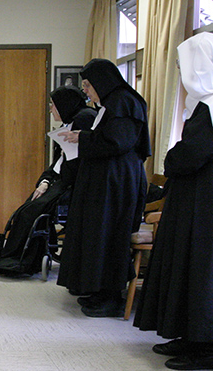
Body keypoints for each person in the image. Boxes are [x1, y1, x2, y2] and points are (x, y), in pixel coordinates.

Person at [135, 32, 213, 370]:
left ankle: (205, 347)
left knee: (206, 264)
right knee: (189, 259)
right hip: (201, 191)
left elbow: (192, 154)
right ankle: (188, 334)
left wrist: (172, 159)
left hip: (210, 193)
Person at [56, 59, 150, 317]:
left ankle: (111, 296)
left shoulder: (123, 101)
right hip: (108, 181)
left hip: (117, 183)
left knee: (110, 236)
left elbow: (117, 142)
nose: (85, 90)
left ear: (102, 82)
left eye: (87, 85)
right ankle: (98, 291)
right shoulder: (112, 103)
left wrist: (82, 138)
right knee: (99, 235)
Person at [0, 85, 97, 277]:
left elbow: (75, 163)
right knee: (26, 209)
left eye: (52, 104)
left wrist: (51, 182)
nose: (50, 108)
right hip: (59, 181)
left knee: (29, 213)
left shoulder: (83, 118)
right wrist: (44, 182)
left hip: (71, 185)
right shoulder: (72, 121)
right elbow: (58, 163)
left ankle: (20, 261)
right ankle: (16, 259)